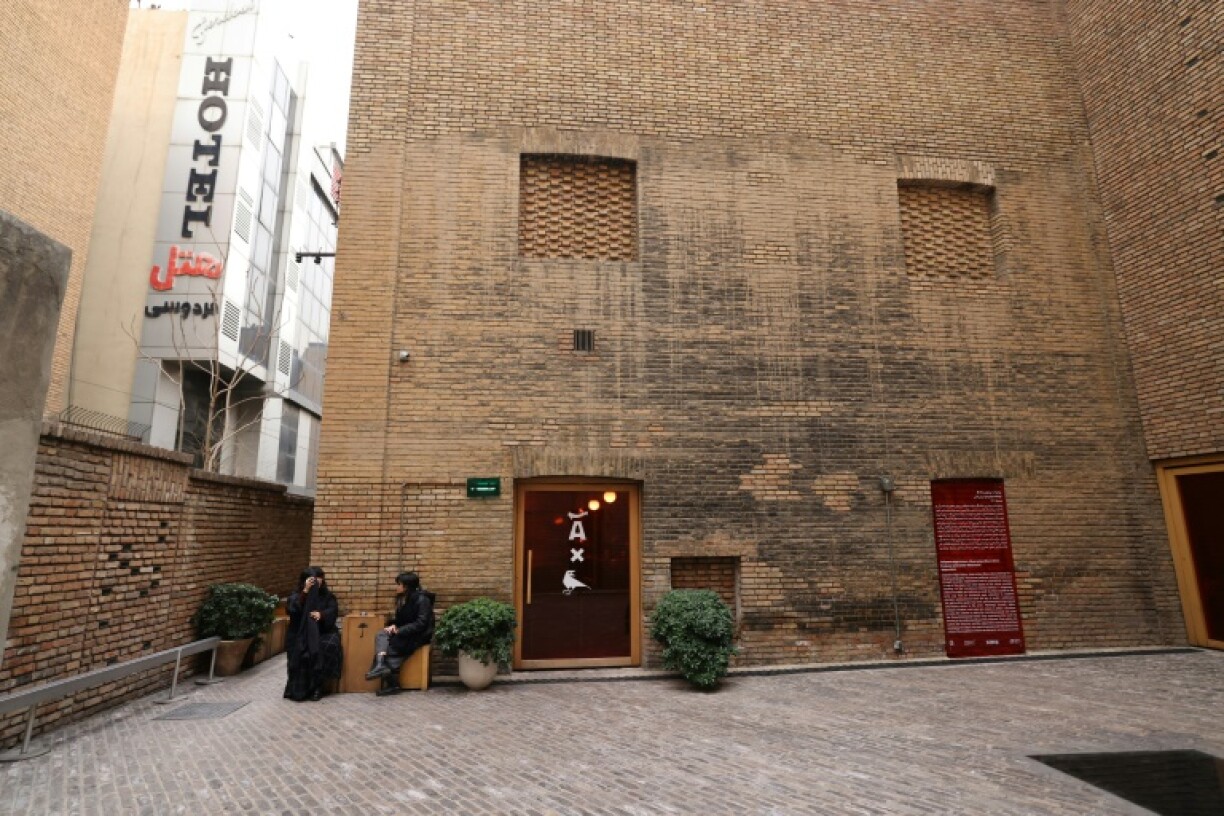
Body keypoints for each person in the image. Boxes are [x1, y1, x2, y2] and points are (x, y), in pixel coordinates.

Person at [365, 571, 435, 696]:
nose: (396, 587)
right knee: (381, 634)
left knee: (390, 650)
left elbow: (421, 623)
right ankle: (380, 665)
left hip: (418, 635)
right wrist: (393, 626)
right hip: (406, 631)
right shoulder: (406, 599)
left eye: (399, 584)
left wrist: (399, 630)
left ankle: (391, 682)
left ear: (406, 587)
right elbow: (402, 620)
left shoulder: (422, 600)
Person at [283, 566, 342, 702]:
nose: (318, 581)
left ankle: (317, 687)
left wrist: (321, 615)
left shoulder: (327, 596)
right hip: (299, 632)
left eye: (320, 578)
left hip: (322, 631)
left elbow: (332, 612)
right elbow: (293, 610)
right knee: (300, 651)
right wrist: (305, 591)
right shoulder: (297, 594)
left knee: (324, 648)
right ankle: (297, 689)